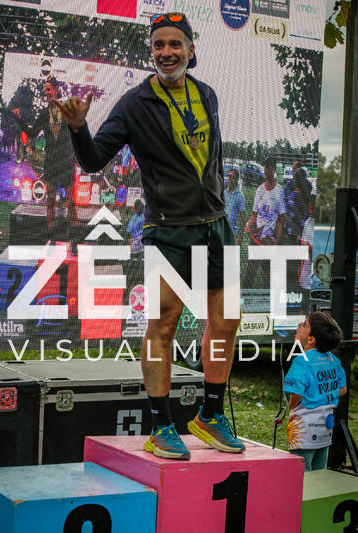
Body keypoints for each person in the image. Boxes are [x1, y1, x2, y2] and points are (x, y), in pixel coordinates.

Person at [52, 12, 245, 459]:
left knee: (226, 321)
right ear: (152, 51)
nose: (166, 52)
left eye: (175, 44)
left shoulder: (207, 94)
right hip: (169, 228)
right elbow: (93, 161)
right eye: (159, 45)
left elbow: (211, 159)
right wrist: (78, 128)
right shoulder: (133, 104)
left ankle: (210, 415)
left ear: (191, 50)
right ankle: (161, 426)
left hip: (216, 224)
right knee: (163, 325)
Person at [11, 78, 78, 236]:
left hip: (66, 160)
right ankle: (51, 233)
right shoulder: (44, 113)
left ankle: (74, 235)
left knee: (71, 201)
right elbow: (32, 133)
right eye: (45, 90)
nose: (45, 92)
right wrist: (19, 120)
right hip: (52, 161)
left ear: (56, 90)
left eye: (48, 89)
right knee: (50, 200)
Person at [284, 312, 347, 472]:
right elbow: (343, 389)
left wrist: (292, 406)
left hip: (303, 429)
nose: (299, 326)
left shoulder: (301, 362)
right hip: (325, 428)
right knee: (319, 472)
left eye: (304, 325)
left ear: (311, 339)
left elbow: (296, 395)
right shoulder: (334, 361)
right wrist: (324, 397)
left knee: (301, 473)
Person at [243, 156, 285, 288]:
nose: (267, 171)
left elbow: (281, 219)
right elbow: (254, 214)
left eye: (270, 168)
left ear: (274, 170)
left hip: (269, 240)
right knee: (250, 272)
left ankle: (268, 298)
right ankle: (245, 297)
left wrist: (276, 241)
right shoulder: (260, 189)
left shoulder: (279, 191)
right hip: (257, 238)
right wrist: (249, 224)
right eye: (266, 167)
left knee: (268, 275)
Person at [224, 168, 245, 245]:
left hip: (232, 233)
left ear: (236, 179)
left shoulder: (240, 196)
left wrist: (240, 237)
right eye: (228, 176)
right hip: (222, 231)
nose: (229, 179)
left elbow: (242, 218)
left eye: (231, 177)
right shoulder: (224, 193)